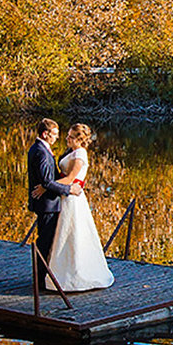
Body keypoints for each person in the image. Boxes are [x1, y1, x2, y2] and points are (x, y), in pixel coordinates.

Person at [38, 123, 114, 291]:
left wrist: (46, 186)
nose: (66, 138)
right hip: (65, 196)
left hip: (72, 197)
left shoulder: (80, 153)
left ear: (80, 139)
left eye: (71, 137)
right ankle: (58, 272)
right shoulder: (72, 152)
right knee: (62, 234)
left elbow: (72, 178)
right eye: (68, 135)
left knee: (73, 233)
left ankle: (77, 275)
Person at [27, 118, 81, 289]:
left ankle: (43, 277)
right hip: (47, 204)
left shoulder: (41, 148)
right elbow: (46, 180)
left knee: (48, 240)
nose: (57, 138)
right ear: (45, 134)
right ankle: (40, 280)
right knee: (45, 242)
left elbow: (49, 180)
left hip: (48, 201)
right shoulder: (41, 152)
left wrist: (46, 184)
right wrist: (68, 190)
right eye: (55, 135)